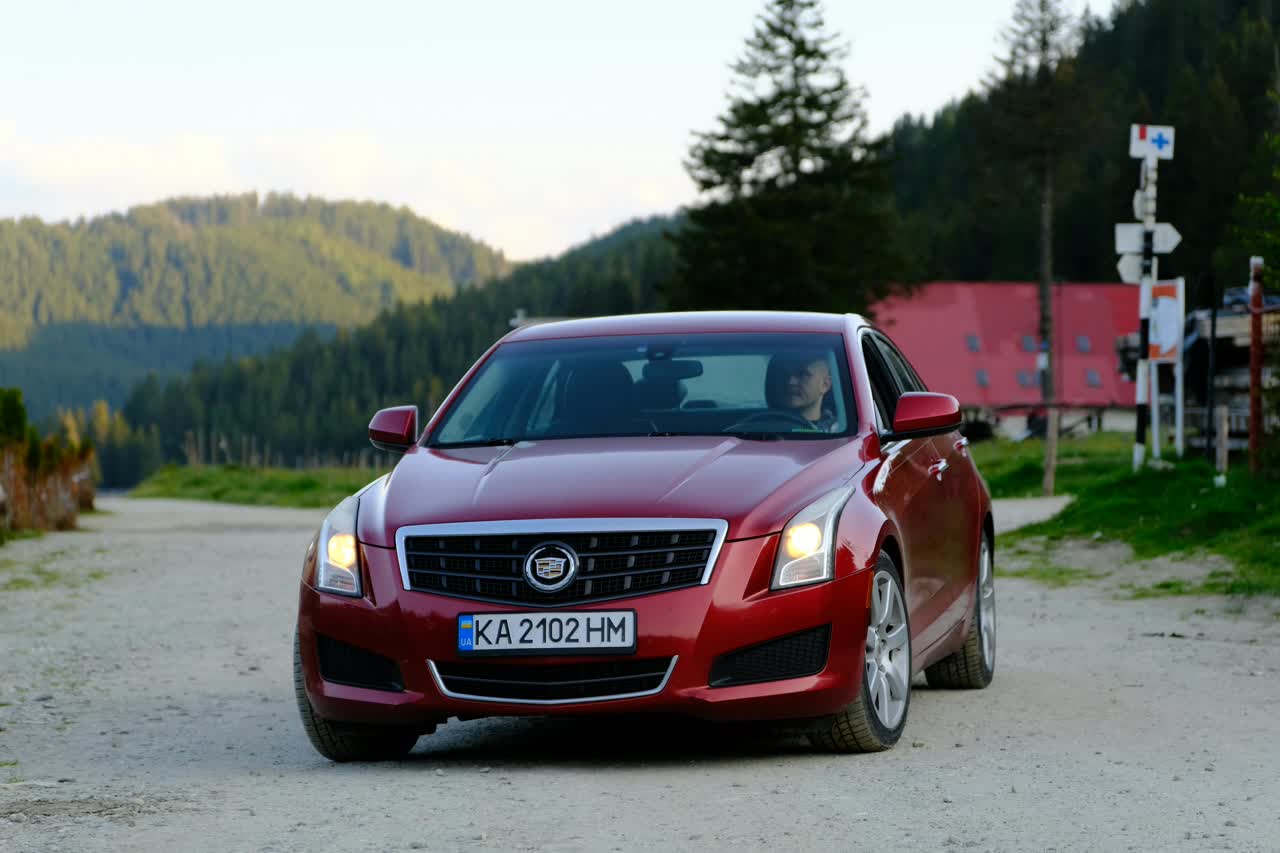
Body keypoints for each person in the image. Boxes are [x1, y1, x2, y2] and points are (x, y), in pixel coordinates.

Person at [771, 351, 838, 431]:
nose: (790, 381)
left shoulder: (837, 430)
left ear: (825, 385)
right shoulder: (760, 426)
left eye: (803, 374)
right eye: (785, 374)